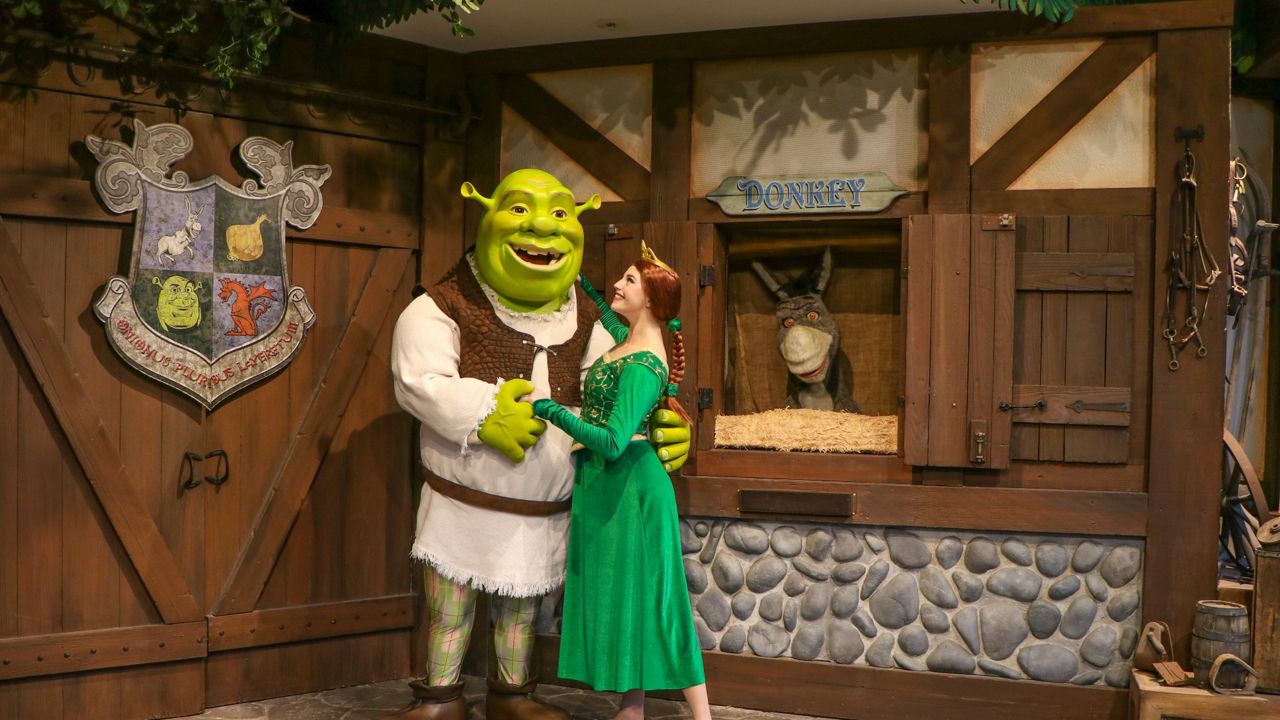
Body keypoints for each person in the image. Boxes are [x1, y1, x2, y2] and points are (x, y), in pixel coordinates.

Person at [389, 170, 689, 720]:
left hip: (542, 509)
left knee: (521, 611)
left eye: (558, 213)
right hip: (461, 504)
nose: (543, 229)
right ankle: (440, 698)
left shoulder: (592, 318)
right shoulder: (444, 304)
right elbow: (418, 380)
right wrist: (483, 412)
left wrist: (658, 426)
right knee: (450, 610)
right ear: (487, 215)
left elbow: (619, 386)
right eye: (521, 209)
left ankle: (512, 695)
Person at [526, 241, 710, 720]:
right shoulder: (627, 341)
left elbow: (611, 441)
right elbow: (604, 311)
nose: (618, 285)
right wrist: (578, 280)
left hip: (631, 486)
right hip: (607, 485)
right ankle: (632, 709)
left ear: (651, 298)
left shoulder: (645, 364)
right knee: (624, 598)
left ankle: (703, 717)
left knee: (658, 601)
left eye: (629, 280)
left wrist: (547, 408)